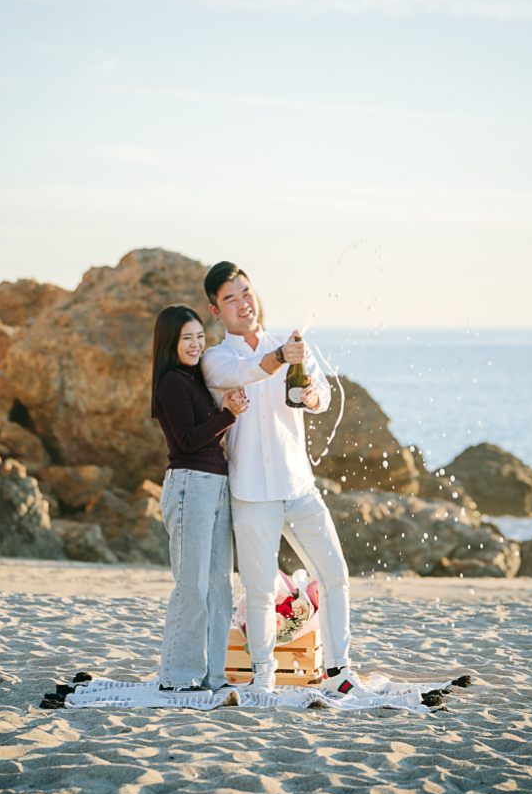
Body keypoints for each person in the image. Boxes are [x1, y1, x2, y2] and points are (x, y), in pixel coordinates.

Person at [201, 262, 372, 698]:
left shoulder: (292, 343)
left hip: (299, 485)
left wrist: (313, 394)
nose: (243, 304)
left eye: (246, 292)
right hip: (252, 492)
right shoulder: (217, 358)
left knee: (335, 573)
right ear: (216, 311)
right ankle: (263, 676)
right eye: (230, 299)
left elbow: (321, 394)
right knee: (258, 591)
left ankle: (338, 670)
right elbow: (244, 374)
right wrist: (279, 360)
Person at [151, 304, 248, 692]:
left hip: (216, 484)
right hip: (190, 484)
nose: (195, 345)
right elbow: (189, 440)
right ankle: (178, 677)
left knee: (220, 584)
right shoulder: (172, 382)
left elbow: (207, 433)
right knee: (192, 585)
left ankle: (214, 675)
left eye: (199, 337)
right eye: (186, 338)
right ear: (170, 343)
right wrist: (227, 415)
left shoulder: (194, 381)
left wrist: (225, 409)